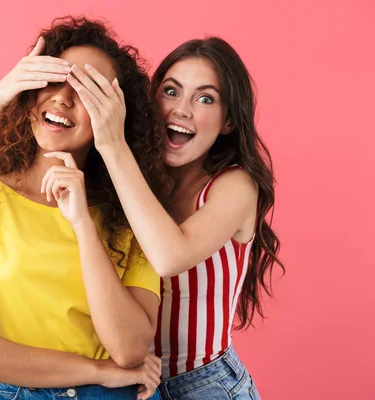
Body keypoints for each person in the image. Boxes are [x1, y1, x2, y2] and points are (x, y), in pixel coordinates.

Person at [0, 16, 167, 400]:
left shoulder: (133, 217)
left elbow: (129, 349)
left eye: (86, 89)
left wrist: (81, 224)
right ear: (29, 94)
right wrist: (98, 371)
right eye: (54, 80)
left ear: (113, 118)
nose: (63, 97)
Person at [65, 36, 285, 399]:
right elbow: (13, 185)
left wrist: (112, 144)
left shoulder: (235, 186)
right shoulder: (131, 176)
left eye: (205, 98)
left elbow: (168, 257)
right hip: (128, 383)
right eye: (171, 91)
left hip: (205, 385)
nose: (181, 110)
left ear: (229, 120)